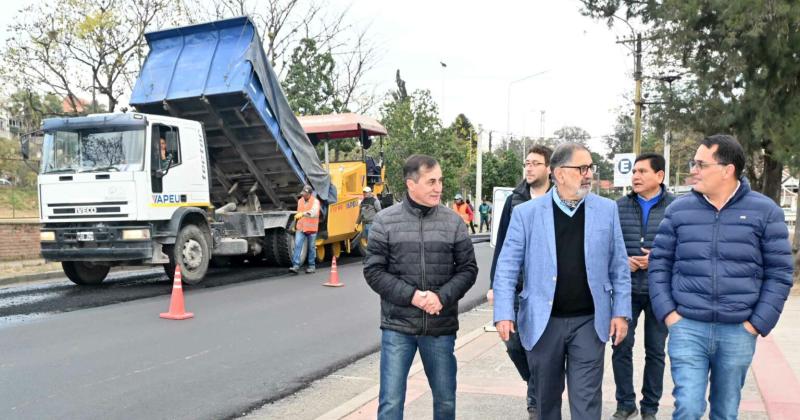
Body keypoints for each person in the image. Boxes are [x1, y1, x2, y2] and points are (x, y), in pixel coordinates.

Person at [649, 134, 793, 419]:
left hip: (738, 330)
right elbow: (659, 265)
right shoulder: (678, 210)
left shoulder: (765, 212)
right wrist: (669, 314)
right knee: (688, 407)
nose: (693, 170)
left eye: (701, 164)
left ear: (727, 170)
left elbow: (779, 273)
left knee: (726, 412)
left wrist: (756, 324)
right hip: (687, 326)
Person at [494, 142, 631, 420]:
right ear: (559, 173)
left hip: (589, 322)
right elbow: (507, 266)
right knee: (545, 402)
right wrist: (504, 312)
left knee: (587, 402)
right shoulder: (527, 214)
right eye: (581, 168)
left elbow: (619, 266)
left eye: (590, 167)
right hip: (543, 323)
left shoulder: (606, 210)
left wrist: (621, 312)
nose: (588, 174)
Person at [364, 154, 478, 420]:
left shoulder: (453, 222)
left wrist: (442, 297)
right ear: (411, 184)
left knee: (445, 401)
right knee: (390, 403)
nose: (439, 187)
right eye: (431, 182)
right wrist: (413, 296)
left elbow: (468, 269)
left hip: (440, 327)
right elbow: (373, 271)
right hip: (398, 327)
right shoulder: (384, 222)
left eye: (440, 180)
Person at [487, 144, 552, 419]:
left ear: (550, 168)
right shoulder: (515, 199)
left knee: (539, 345)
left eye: (536, 163)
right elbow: (501, 244)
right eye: (527, 163)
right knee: (514, 343)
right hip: (516, 285)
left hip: (546, 286)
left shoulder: (559, 198)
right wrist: (494, 284)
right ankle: (535, 384)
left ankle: (536, 400)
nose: (529, 167)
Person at [611, 153, 675, 420]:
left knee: (656, 351)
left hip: (659, 291)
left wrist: (657, 259)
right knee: (620, 346)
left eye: (642, 171)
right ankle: (626, 403)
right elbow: (605, 246)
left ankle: (650, 407)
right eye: (634, 171)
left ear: (659, 176)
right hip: (625, 291)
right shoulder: (617, 207)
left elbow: (685, 247)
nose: (635, 176)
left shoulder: (676, 207)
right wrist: (622, 260)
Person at [289, 185, 320, 274]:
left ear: (309, 194)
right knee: (297, 245)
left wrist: (303, 214)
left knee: (311, 247)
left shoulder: (315, 202)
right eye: (303, 193)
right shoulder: (300, 201)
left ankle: (311, 266)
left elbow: (314, 213)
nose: (303, 195)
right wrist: (294, 226)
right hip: (301, 228)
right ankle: (295, 266)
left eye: (305, 194)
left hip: (311, 228)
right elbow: (298, 215)